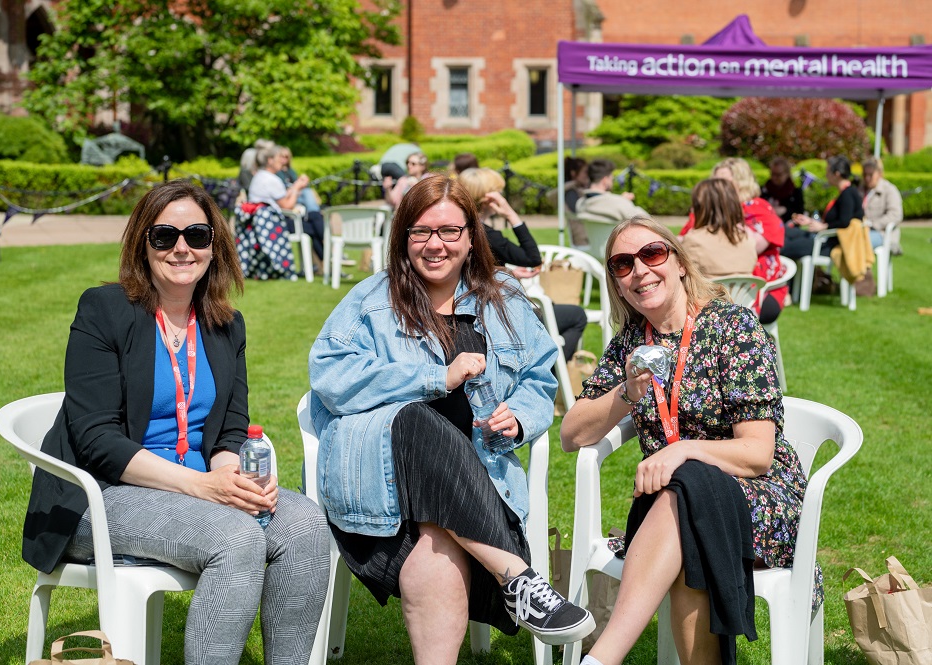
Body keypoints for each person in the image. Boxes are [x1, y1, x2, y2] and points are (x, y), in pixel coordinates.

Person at [22, 179, 330, 665]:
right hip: (98, 496)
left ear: (216, 245)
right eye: (164, 236)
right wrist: (204, 487)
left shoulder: (227, 325)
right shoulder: (104, 310)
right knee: (237, 536)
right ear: (142, 244)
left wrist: (229, 475)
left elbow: (231, 426)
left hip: (193, 485)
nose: (182, 248)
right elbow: (98, 441)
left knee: (307, 524)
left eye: (197, 235)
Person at [309, 174, 595, 663]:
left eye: (449, 231)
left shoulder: (501, 296)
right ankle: (517, 578)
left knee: (437, 532)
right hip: (383, 496)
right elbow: (329, 374)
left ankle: (510, 581)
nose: (434, 244)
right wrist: (434, 378)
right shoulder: (372, 300)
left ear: (470, 236)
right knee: (417, 418)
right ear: (402, 238)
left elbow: (541, 379)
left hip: (483, 489)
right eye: (420, 232)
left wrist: (519, 417)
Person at [561, 217, 815, 665]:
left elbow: (757, 454)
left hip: (759, 499)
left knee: (688, 492)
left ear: (678, 262)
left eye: (652, 255)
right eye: (623, 264)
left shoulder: (731, 327)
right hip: (674, 505)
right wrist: (626, 392)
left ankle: (601, 658)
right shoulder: (629, 346)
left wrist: (682, 450)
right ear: (617, 284)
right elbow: (572, 433)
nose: (639, 271)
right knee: (687, 505)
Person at [458, 167, 589, 361]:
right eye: (499, 191)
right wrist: (511, 214)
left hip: (480, 310)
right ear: (489, 198)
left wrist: (505, 271)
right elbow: (532, 257)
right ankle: (553, 371)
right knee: (577, 315)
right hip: (499, 314)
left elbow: (472, 268)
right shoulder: (486, 235)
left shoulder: (462, 230)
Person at [683, 158, 787, 323]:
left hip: (756, 291)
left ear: (742, 182)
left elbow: (740, 250)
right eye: (715, 182)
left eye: (724, 182)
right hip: (719, 291)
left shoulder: (759, 211)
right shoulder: (705, 213)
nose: (719, 188)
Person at [247, 143, 325, 264]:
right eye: (279, 158)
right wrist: (297, 187)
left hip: (264, 222)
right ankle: (329, 255)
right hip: (275, 223)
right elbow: (288, 206)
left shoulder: (261, 176)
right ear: (270, 160)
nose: (282, 162)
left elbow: (281, 198)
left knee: (314, 221)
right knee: (315, 223)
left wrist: (296, 187)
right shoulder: (271, 179)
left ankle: (326, 261)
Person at [786, 155, 864, 261]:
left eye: (828, 172)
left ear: (836, 174)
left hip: (829, 244)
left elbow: (844, 222)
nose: (826, 175)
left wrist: (823, 227)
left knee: (785, 245)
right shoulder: (846, 193)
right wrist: (810, 221)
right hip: (825, 239)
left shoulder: (848, 194)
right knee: (785, 232)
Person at [681, 178, 758, 279]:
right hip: (742, 294)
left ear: (701, 207)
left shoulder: (694, 240)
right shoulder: (747, 238)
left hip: (709, 294)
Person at [576, 159, 648, 224]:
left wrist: (620, 199)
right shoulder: (619, 203)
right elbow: (646, 219)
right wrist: (624, 201)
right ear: (605, 180)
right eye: (611, 178)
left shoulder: (580, 204)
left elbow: (602, 202)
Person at [861, 156, 904, 255]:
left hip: (882, 233)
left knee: (860, 242)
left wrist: (873, 224)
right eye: (864, 175)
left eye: (870, 175)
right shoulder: (860, 189)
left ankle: (865, 270)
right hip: (861, 230)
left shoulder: (889, 190)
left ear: (879, 174)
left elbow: (896, 215)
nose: (867, 178)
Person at [277, 145, 322, 214]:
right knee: (307, 193)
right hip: (286, 197)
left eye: (286, 157)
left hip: (295, 194)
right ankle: (316, 215)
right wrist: (297, 185)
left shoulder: (290, 171)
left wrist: (302, 181)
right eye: (282, 156)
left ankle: (316, 214)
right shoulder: (277, 172)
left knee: (308, 192)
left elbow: (297, 184)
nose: (284, 159)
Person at [760, 157, 804, 224]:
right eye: (772, 174)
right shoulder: (764, 191)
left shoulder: (795, 192)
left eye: (778, 175)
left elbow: (800, 214)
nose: (774, 178)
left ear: (787, 173)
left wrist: (785, 210)